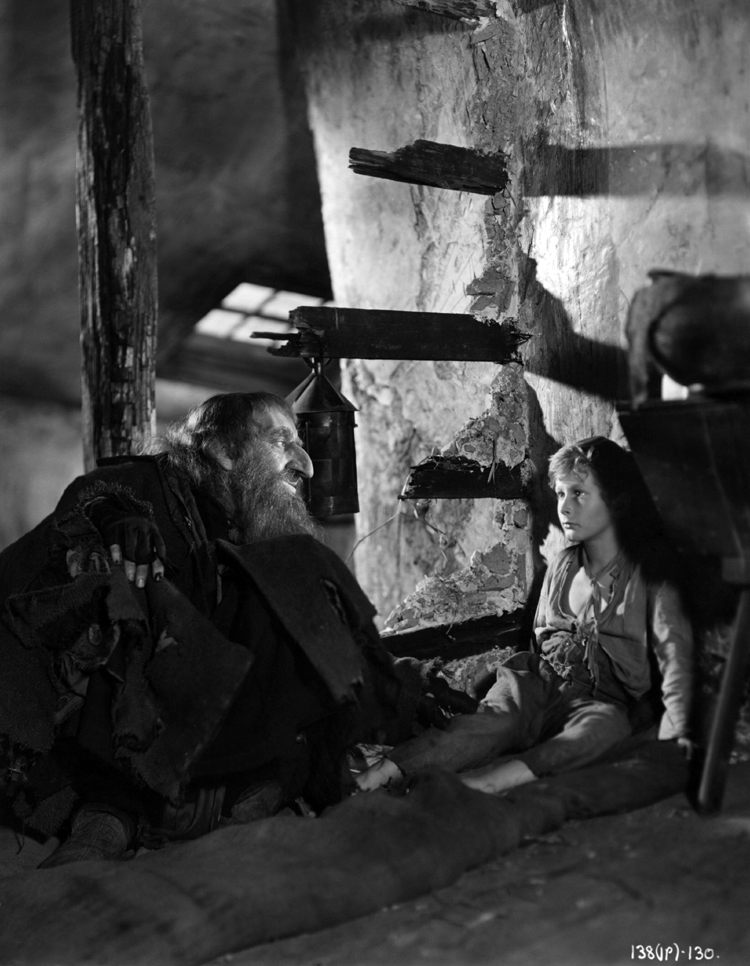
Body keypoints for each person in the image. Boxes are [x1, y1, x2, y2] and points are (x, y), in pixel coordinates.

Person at [0, 392, 404, 867]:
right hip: (95, 729)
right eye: (281, 442)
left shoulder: (240, 536)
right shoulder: (146, 485)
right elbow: (88, 502)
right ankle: (107, 815)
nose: (306, 465)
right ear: (223, 451)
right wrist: (114, 519)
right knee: (124, 579)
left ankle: (258, 787)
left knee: (295, 572)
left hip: (196, 724)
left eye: (299, 444)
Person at [356, 435, 694, 796]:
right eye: (560, 494)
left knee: (606, 726)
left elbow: (676, 663)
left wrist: (677, 735)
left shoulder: (649, 576)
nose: (565, 508)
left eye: (579, 494)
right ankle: (378, 775)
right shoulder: (562, 565)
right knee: (495, 721)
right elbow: (539, 638)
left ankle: (489, 784)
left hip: (599, 704)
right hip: (538, 681)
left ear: (617, 500)